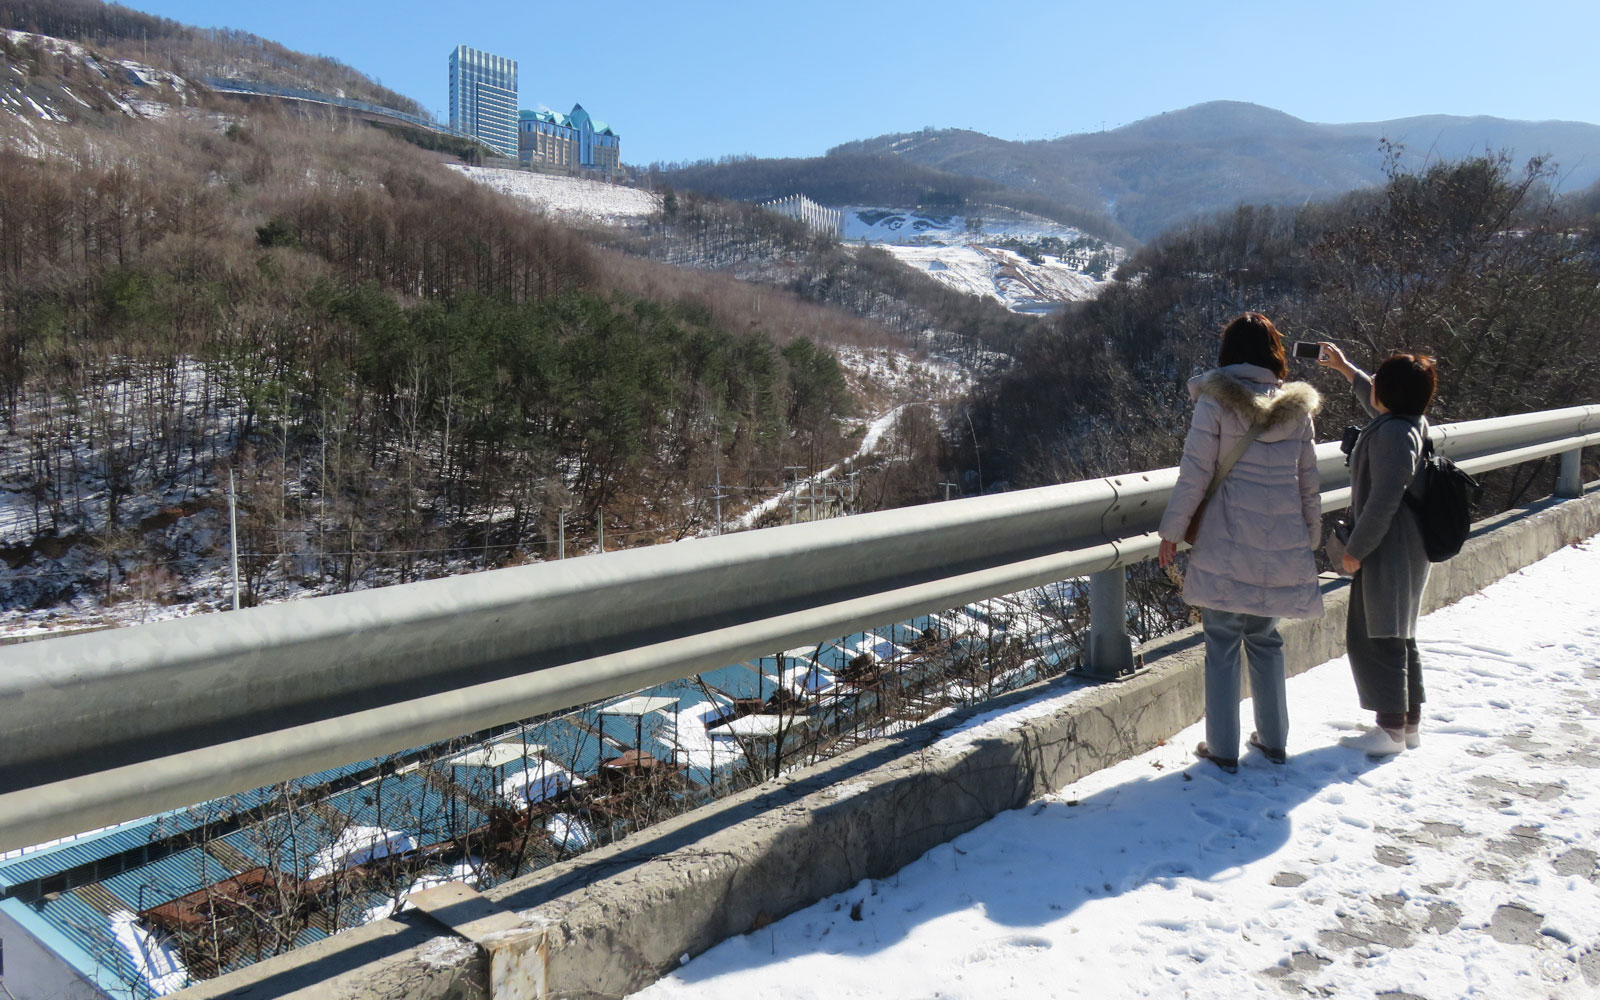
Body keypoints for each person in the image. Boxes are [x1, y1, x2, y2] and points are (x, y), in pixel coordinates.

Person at [1158, 313, 1323, 773]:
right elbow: (1308, 481)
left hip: (1226, 539)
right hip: (1280, 541)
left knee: (1223, 642)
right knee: (1266, 639)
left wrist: (1172, 532)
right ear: (1274, 353)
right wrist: (1311, 534)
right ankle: (1274, 741)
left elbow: (1195, 473)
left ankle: (1223, 749)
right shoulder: (1297, 410)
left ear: (1228, 354)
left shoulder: (1214, 402)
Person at [1317, 345, 1437, 755]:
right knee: (1401, 631)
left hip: (1390, 544)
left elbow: (1383, 498)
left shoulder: (1393, 434)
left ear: (1388, 395)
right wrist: (1346, 369)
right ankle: (1409, 723)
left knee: (1380, 633)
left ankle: (1389, 730)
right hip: (1408, 542)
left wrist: (1357, 549)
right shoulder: (1407, 421)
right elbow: (1378, 402)